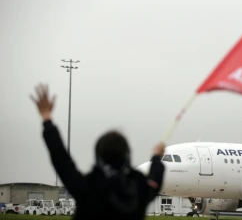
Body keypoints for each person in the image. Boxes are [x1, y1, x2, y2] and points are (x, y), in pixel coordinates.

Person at [30, 84, 165, 220]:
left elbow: (61, 159)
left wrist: (47, 119)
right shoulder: (138, 188)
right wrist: (157, 157)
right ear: (127, 154)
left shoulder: (88, 187)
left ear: (98, 154)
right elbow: (155, 179)